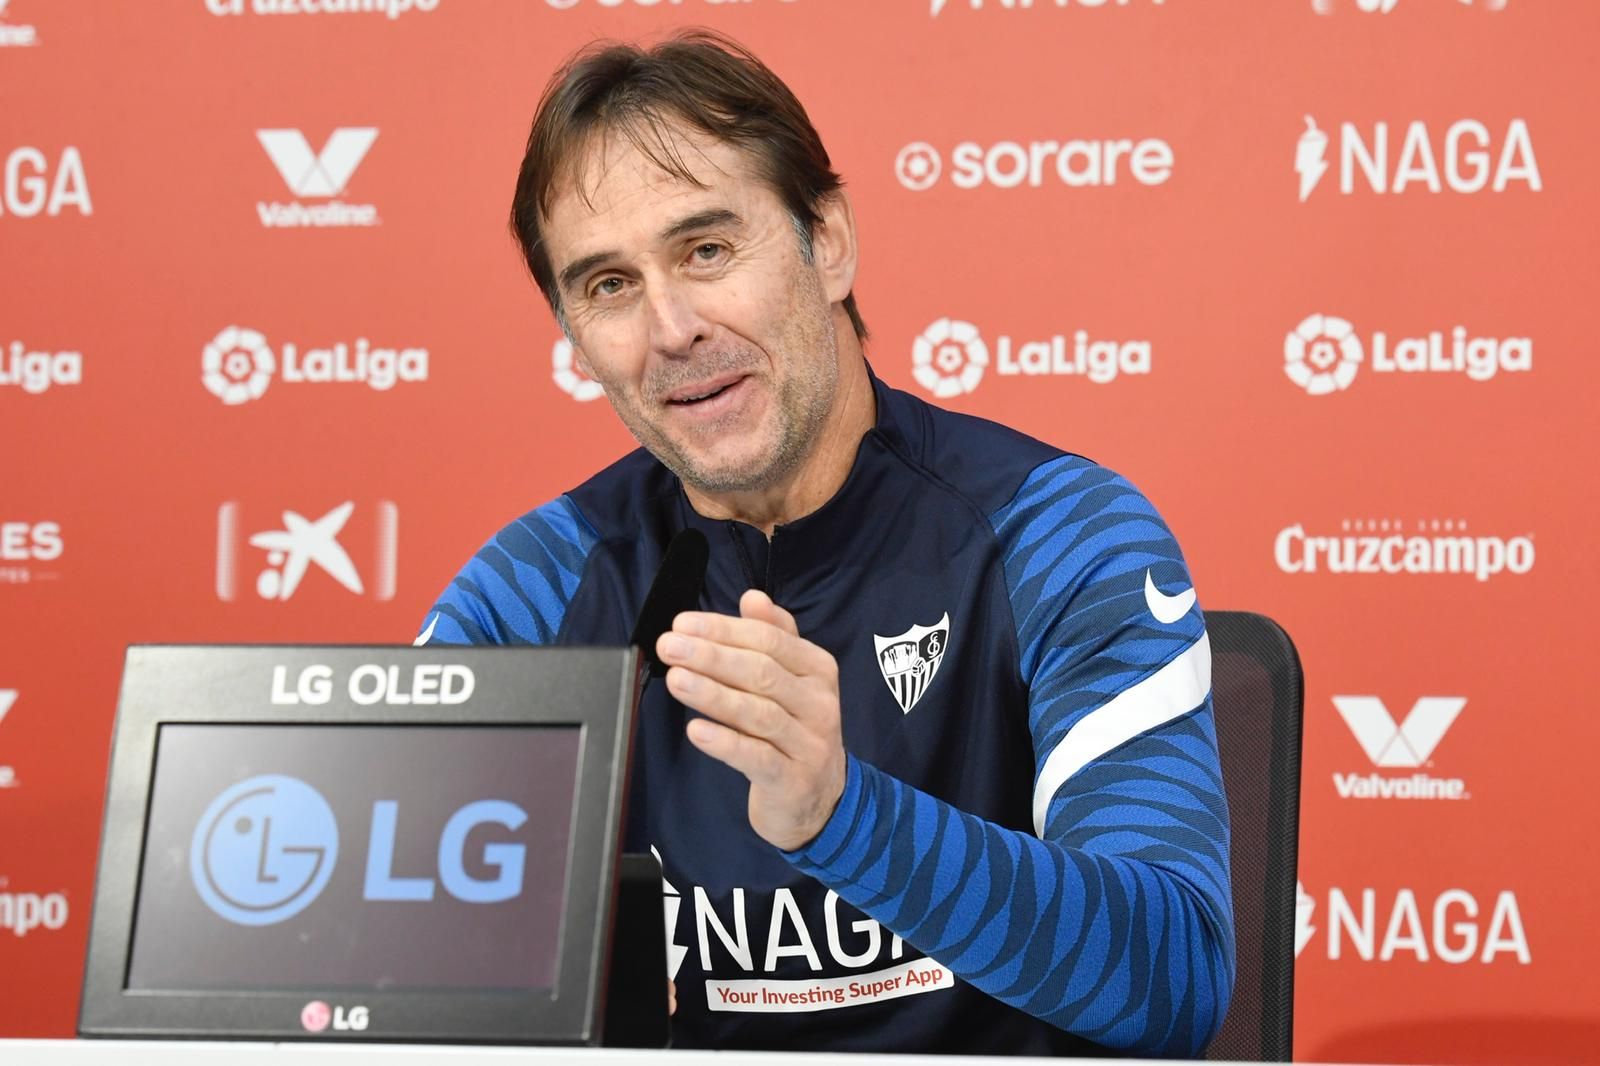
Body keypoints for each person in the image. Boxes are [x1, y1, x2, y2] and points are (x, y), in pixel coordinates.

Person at [418, 29, 1233, 1057]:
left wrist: (844, 815)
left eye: (706, 249)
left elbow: (1175, 978)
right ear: (573, 334)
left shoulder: (1058, 533)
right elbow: (401, 975)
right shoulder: (530, 592)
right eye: (608, 286)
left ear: (828, 241)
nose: (670, 328)